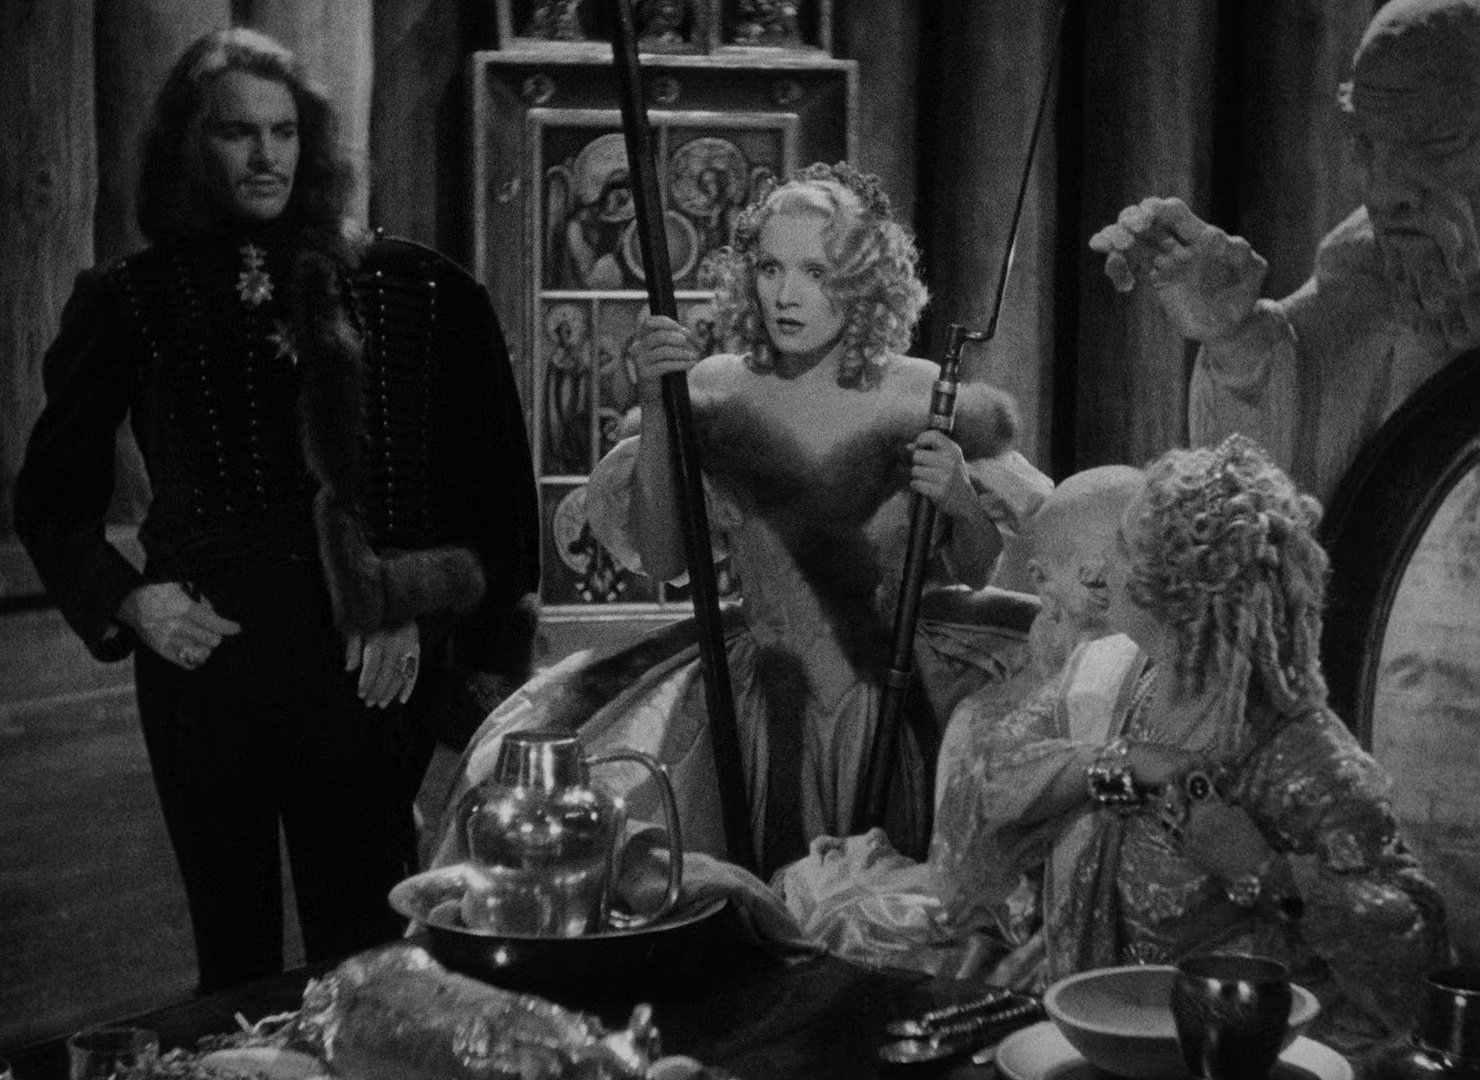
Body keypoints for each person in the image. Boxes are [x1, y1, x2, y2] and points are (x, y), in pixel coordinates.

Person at [15, 28, 539, 993]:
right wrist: (132, 601)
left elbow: (490, 500)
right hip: (207, 668)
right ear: (190, 146)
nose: (266, 156)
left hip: (361, 666)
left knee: (369, 957)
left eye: (284, 131)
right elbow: (50, 497)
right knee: (233, 963)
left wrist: (410, 606)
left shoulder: (412, 288)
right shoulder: (130, 299)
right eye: (237, 133)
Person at [430, 162, 1051, 879]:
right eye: (770, 267)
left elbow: (975, 568)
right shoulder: (715, 387)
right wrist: (657, 405)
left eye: (817, 272)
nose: (787, 295)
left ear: (865, 280)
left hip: (897, 701)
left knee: (880, 899)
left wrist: (960, 500)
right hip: (755, 709)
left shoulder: (926, 394)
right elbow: (665, 559)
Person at [973, 436, 1447, 1058]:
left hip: (1247, 1054)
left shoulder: (1301, 754)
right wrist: (1124, 765)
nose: (1099, 571)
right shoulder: (1118, 677)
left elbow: (1414, 960)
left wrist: (1263, 871)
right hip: (1116, 1038)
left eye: (1123, 549)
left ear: (1177, 590)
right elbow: (989, 783)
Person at [1088, 0, 1480, 508]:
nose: (1383, 192)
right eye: (1365, 145)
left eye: (1433, 143)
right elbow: (1275, 509)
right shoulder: (1365, 268)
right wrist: (1234, 339)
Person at [771, 466, 1144, 978]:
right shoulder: (994, 716)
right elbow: (962, 878)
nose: (1119, 597)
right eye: (1096, 580)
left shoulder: (1144, 670)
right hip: (820, 676)